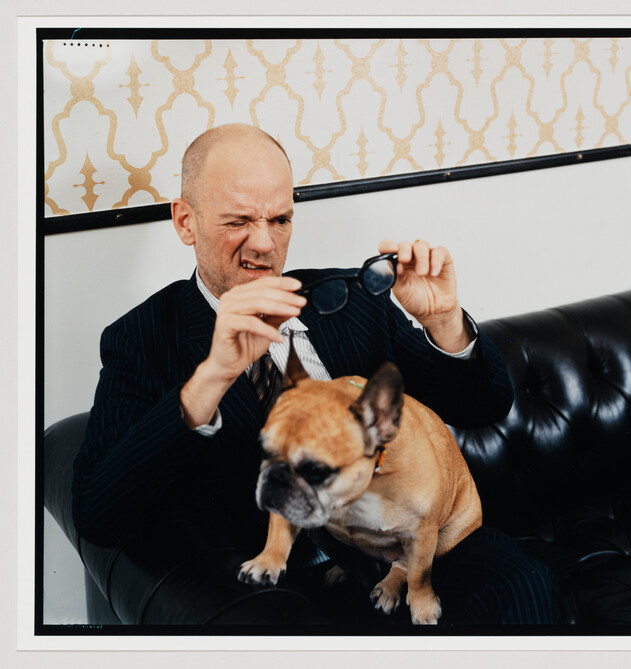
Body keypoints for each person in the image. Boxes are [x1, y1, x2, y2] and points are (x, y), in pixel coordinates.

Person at [72, 123, 560, 626]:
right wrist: (212, 378)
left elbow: (483, 406)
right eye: (238, 220)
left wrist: (444, 323)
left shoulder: (351, 300)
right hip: (288, 581)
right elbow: (97, 514)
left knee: (520, 589)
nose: (264, 243)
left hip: (412, 540)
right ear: (185, 222)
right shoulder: (141, 339)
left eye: (280, 219)